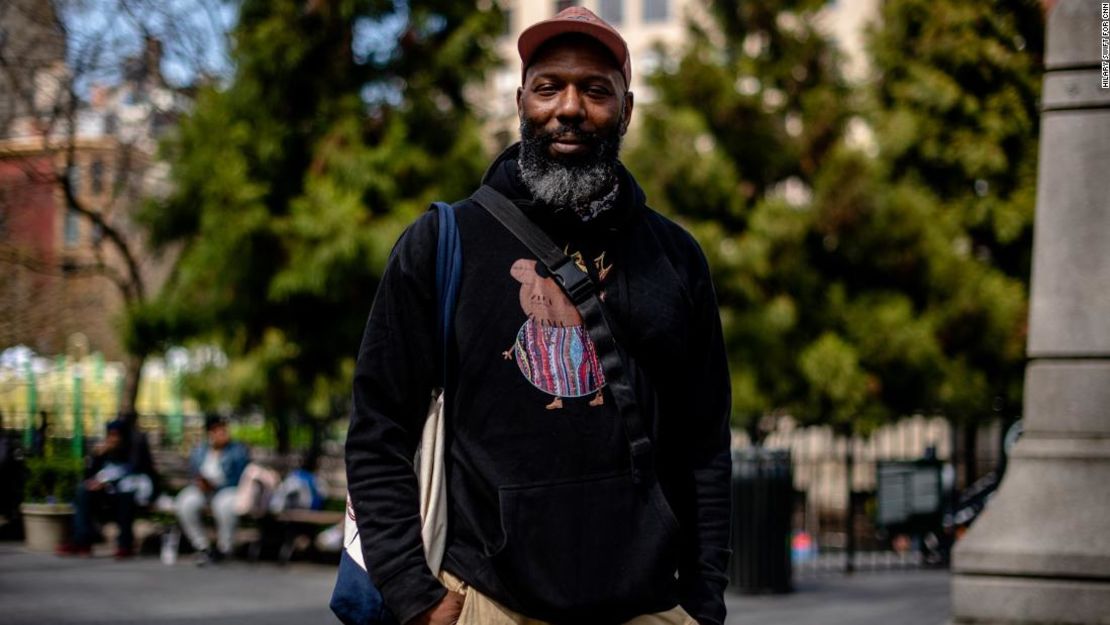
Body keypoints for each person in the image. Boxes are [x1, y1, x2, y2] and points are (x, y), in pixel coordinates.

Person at [346, 7, 731, 625]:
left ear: (627, 109)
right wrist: (416, 599)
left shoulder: (675, 257)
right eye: (549, 86)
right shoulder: (444, 243)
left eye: (596, 89)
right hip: (490, 603)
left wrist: (705, 602)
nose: (570, 108)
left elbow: (705, 445)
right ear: (520, 101)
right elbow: (377, 431)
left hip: (650, 607)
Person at [58, 417, 158, 558]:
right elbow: (89, 476)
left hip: (129, 494)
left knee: (125, 497)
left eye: (116, 435)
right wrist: (96, 457)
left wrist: (109, 483)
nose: (113, 439)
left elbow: (137, 475)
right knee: (84, 491)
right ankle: (82, 541)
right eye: (110, 435)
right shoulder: (104, 453)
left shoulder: (134, 450)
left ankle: (125, 545)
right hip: (107, 495)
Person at [174, 414, 250, 565]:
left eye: (224, 429)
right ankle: (202, 546)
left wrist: (217, 485)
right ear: (210, 433)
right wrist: (201, 483)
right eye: (217, 430)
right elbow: (194, 472)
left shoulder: (237, 450)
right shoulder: (200, 450)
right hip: (204, 490)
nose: (222, 433)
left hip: (228, 489)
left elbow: (242, 476)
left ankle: (224, 548)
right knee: (185, 502)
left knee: (223, 505)